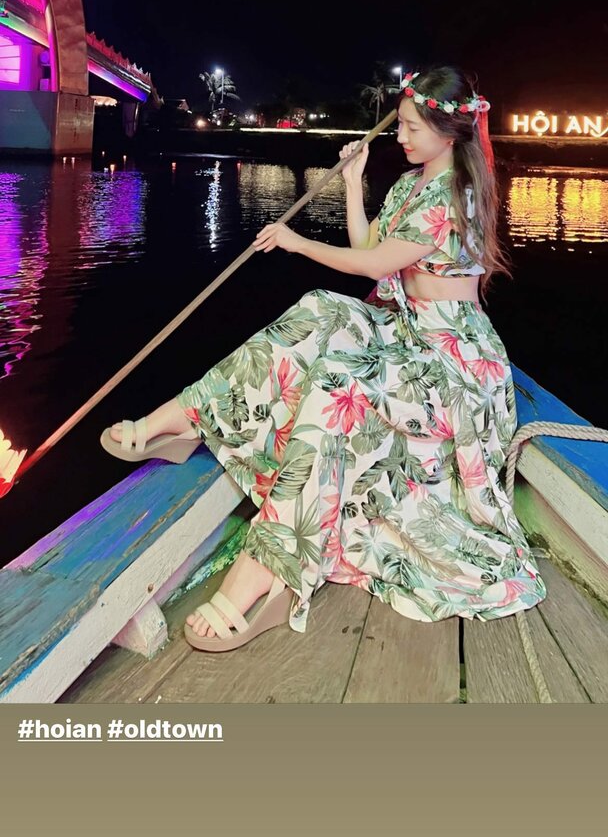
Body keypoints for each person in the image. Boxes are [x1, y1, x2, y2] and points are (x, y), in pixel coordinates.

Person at [101, 65, 547, 653]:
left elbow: (373, 266)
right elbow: (369, 246)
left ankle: (269, 566)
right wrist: (354, 182)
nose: (400, 136)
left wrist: (295, 241)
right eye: (400, 125)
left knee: (339, 382)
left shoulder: (454, 194)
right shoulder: (412, 185)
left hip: (451, 362)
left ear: (448, 133)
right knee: (319, 309)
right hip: (407, 331)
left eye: (412, 127)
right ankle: (188, 416)